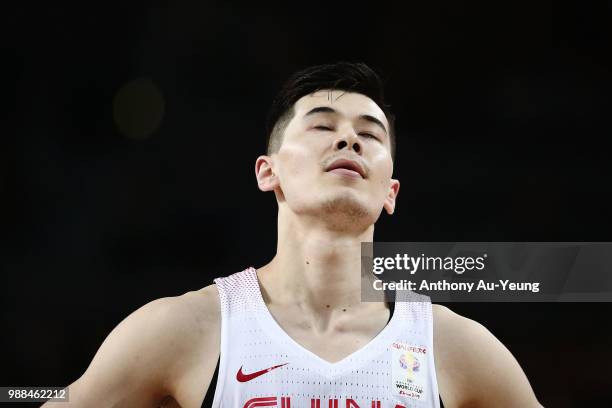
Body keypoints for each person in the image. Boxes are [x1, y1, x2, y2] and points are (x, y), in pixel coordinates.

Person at [42, 62, 543, 408]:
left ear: (390, 192)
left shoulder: (452, 345)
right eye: (323, 126)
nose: (349, 138)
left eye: (370, 134)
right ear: (268, 171)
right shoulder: (185, 329)